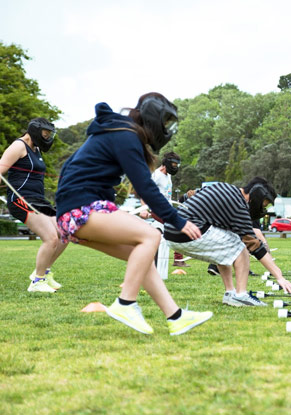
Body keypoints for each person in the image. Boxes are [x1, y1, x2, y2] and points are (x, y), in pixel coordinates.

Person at [55, 92, 212, 335]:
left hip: (74, 212)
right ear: (153, 119)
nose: (167, 130)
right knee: (151, 236)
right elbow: (145, 188)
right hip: (79, 210)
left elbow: (71, 169)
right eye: (166, 123)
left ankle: (176, 317)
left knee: (141, 258)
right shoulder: (124, 135)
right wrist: (177, 220)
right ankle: (125, 303)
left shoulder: (118, 132)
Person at [164, 177, 291, 305]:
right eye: (264, 205)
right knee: (240, 246)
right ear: (257, 196)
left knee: (227, 240)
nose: (263, 210)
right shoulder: (238, 206)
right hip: (185, 232)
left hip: (171, 230)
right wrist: (279, 277)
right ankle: (241, 295)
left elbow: (191, 195)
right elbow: (254, 245)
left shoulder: (224, 187)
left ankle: (230, 293)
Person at [0, 118, 68, 292]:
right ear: (35, 131)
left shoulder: (36, 149)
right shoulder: (18, 146)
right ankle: (37, 282)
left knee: (64, 232)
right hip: (21, 200)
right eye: (45, 134)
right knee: (51, 237)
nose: (47, 137)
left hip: (38, 200)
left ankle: (44, 272)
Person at [139, 152, 188, 267]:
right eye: (174, 164)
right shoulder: (156, 176)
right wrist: (143, 209)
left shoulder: (168, 175)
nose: (175, 167)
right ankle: (178, 260)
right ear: (166, 163)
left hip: (167, 209)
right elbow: (144, 192)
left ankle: (148, 256)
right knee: (177, 226)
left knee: (159, 232)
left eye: (177, 165)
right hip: (157, 210)